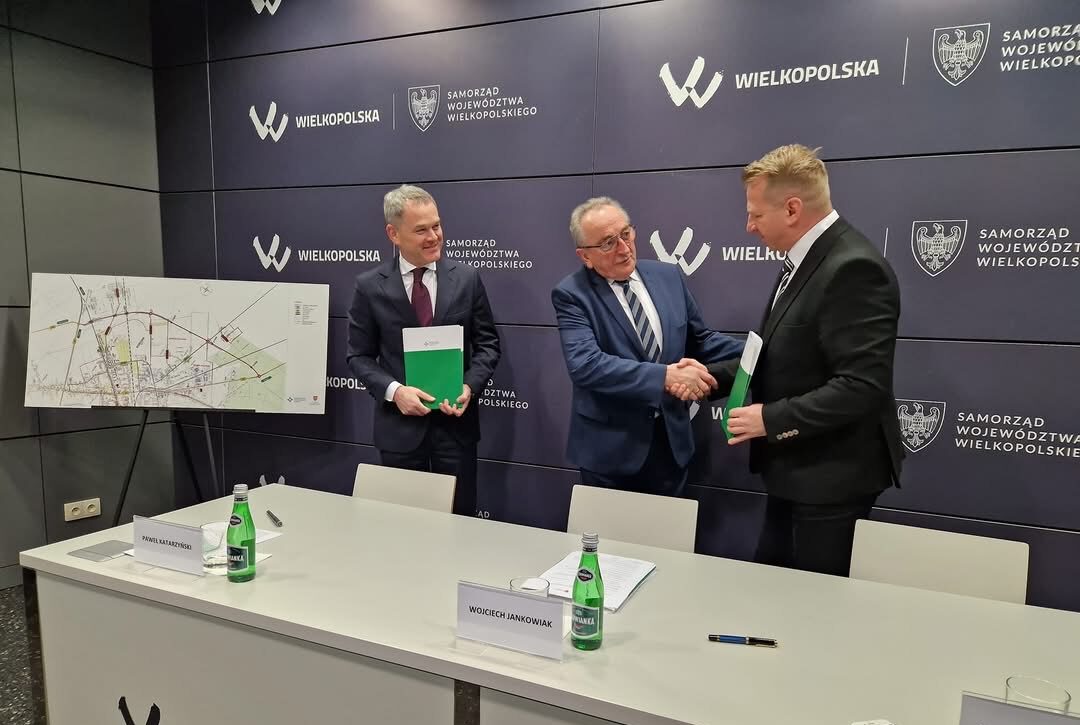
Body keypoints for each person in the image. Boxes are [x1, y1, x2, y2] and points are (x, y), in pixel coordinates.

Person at [704, 144, 905, 576]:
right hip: (795, 473)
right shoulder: (804, 259)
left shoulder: (853, 268)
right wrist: (708, 377)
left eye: (756, 215)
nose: (749, 227)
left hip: (830, 481)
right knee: (771, 592)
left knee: (812, 607)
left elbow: (861, 387)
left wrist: (769, 419)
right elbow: (776, 356)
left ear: (792, 209)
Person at [552, 196, 743, 497]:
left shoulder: (667, 276)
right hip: (610, 453)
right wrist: (666, 376)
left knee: (666, 528)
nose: (624, 248)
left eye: (626, 234)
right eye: (608, 243)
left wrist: (757, 351)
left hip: (671, 446)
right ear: (585, 256)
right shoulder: (572, 294)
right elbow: (586, 365)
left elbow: (701, 340)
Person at [346, 184, 500, 515]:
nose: (434, 237)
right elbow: (358, 356)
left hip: (455, 430)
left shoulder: (467, 278)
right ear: (394, 234)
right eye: (421, 230)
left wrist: (469, 386)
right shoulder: (369, 286)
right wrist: (395, 392)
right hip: (399, 432)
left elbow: (488, 344)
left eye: (437, 226)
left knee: (460, 524)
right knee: (402, 527)